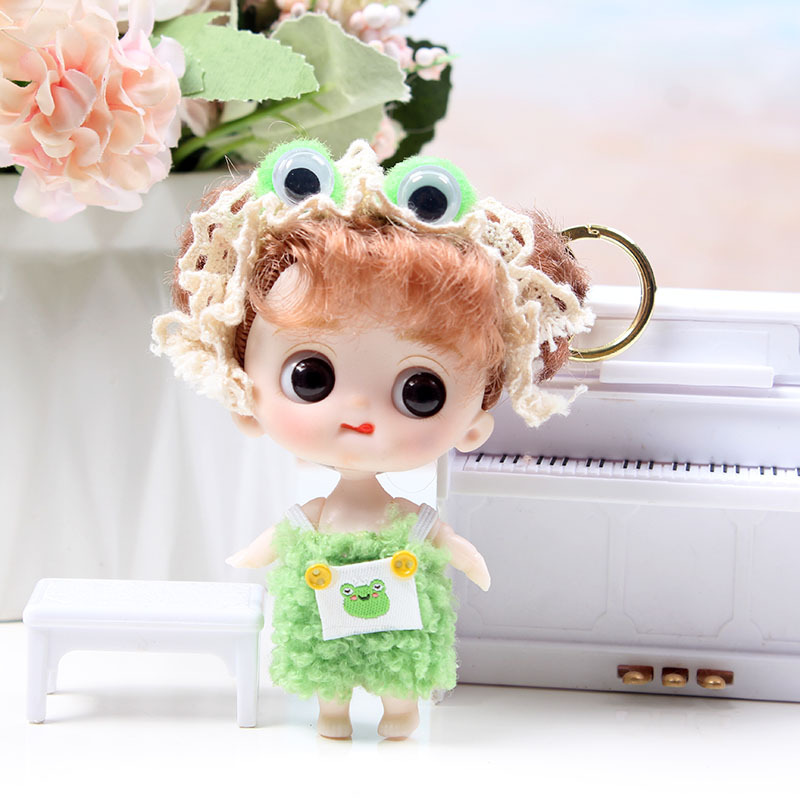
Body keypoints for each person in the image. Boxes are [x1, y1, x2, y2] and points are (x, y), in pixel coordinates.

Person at [152, 138, 593, 739]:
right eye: (311, 378)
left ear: (473, 423)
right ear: (243, 395)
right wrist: (253, 554)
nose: (358, 412)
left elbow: (440, 539)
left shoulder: (405, 518)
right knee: (326, 664)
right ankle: (332, 712)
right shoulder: (315, 516)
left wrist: (463, 554)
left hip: (399, 618)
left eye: (420, 392)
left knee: (399, 664)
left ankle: (398, 711)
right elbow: (280, 539)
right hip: (323, 616)